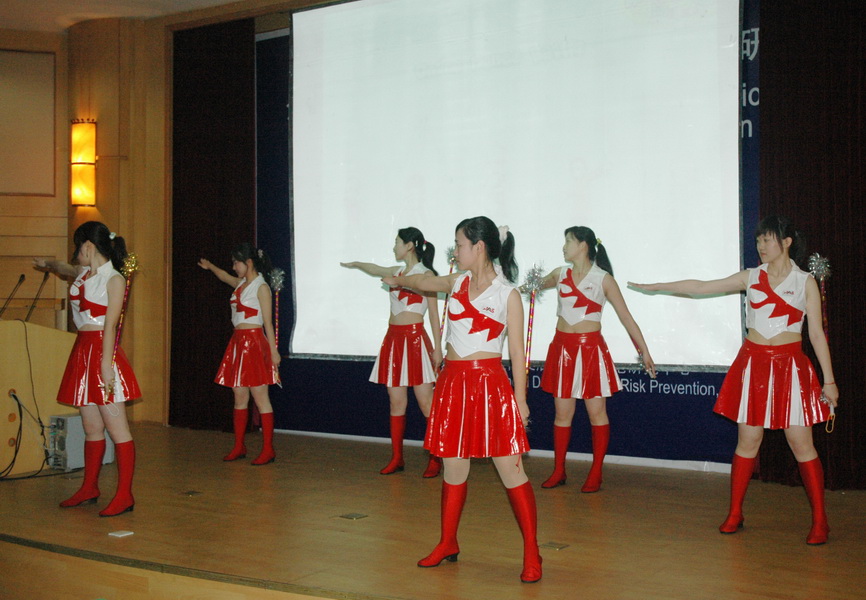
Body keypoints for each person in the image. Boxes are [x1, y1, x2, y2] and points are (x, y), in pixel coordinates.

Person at [629, 215, 838, 545]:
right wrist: (657, 288)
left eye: (767, 239)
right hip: (753, 366)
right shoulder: (750, 277)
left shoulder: (805, 282)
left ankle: (820, 520)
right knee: (748, 442)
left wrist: (829, 381)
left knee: (802, 445)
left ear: (786, 242)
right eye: (759, 240)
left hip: (791, 368)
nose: (761, 245)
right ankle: (735, 512)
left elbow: (816, 334)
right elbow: (701, 287)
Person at [384, 216, 541, 584]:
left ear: (479, 247)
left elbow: (517, 354)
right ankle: (447, 542)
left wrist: (520, 400)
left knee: (511, 471)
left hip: (490, 386)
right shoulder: (455, 282)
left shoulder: (507, 295)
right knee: (454, 469)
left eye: (459, 245)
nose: (455, 252)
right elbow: (424, 282)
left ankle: (532, 551)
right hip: (453, 384)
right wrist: (401, 280)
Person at [535, 227, 656, 492]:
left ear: (583, 245)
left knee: (597, 413)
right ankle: (559, 470)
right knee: (561, 414)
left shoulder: (603, 279)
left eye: (568, 241)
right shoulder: (559, 273)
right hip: (562, 349)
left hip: (590, 350)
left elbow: (626, 317)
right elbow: (529, 288)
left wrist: (644, 350)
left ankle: (596, 472)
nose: (564, 246)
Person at [34, 221, 141, 517]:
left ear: (89, 246)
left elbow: (111, 326)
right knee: (92, 428)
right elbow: (65, 268)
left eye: (78, 248)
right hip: (82, 351)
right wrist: (48, 264)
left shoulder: (114, 279)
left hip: (102, 353)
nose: (76, 254)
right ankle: (89, 487)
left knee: (118, 430)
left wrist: (106, 367)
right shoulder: (83, 273)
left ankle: (125, 494)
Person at [341, 227, 444, 477]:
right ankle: (397, 457)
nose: (394, 246)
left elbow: (433, 314)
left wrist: (438, 348)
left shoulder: (426, 275)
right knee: (396, 402)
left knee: (426, 403)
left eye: (397, 242)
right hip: (394, 341)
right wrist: (356, 264)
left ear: (409, 245)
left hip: (416, 341)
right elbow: (375, 268)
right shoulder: (396, 272)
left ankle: (436, 457)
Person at [199, 243, 281, 465]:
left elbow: (268, 323)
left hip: (254, 344)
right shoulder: (241, 284)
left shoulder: (261, 287)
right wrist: (210, 266)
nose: (234, 267)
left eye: (237, 262)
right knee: (239, 396)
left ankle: (268, 449)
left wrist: (273, 352)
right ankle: (239, 445)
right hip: (237, 343)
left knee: (260, 397)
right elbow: (225, 276)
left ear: (249, 262)